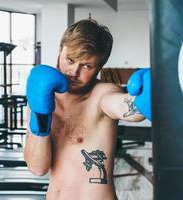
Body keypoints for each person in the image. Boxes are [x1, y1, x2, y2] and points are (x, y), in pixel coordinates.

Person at [23, 19, 151, 200]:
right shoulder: (39, 98)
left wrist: (146, 100)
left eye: (87, 66)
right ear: (60, 50)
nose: (74, 72)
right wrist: (41, 116)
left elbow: (124, 106)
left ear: (99, 68)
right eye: (70, 59)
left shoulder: (102, 94)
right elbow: (37, 167)